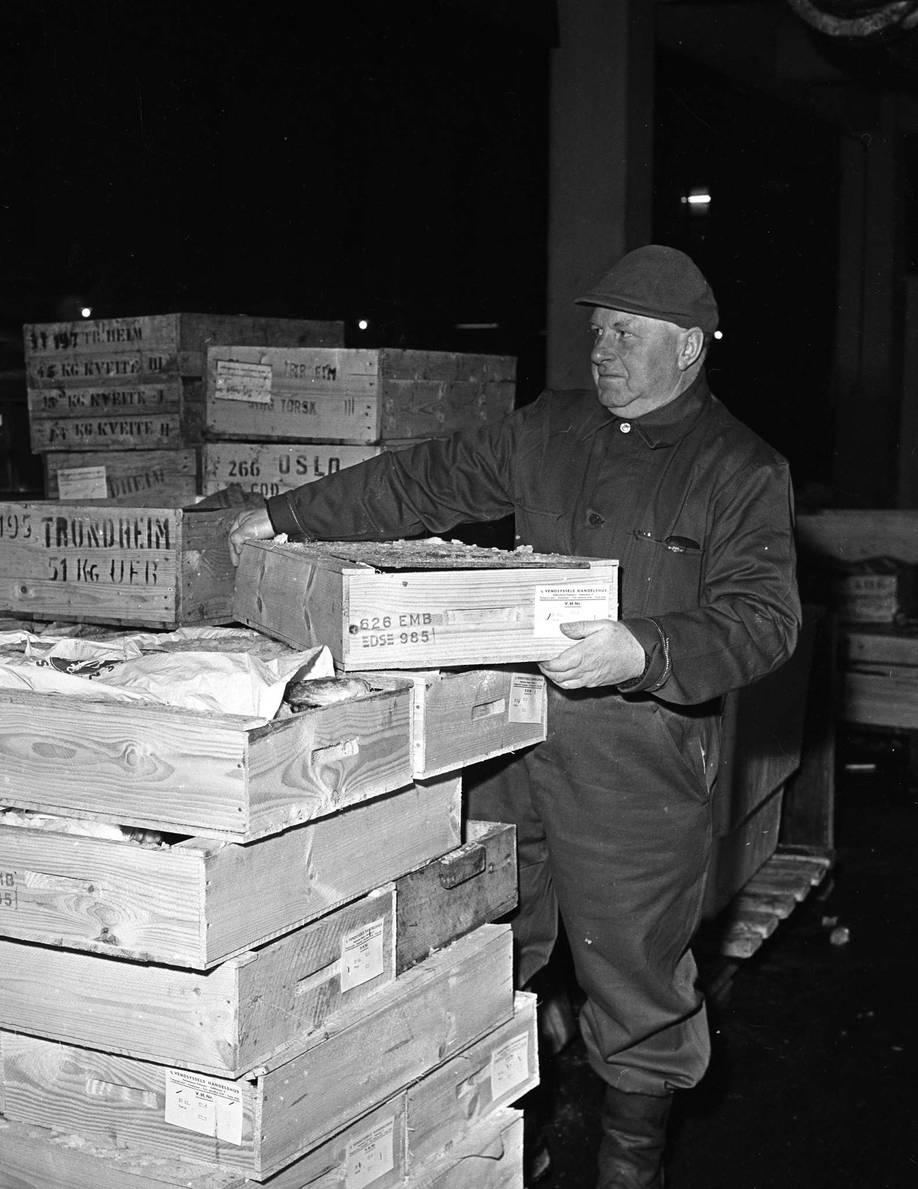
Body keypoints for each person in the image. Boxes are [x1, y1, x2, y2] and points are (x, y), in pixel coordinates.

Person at [227, 245, 800, 1188]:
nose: (602, 351)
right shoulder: (553, 428)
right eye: (596, 332)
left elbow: (762, 619)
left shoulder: (738, 468)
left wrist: (643, 649)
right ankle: (490, 1141)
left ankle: (628, 1168)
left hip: (637, 758)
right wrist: (286, 515)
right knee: (490, 937)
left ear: (690, 348)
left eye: (626, 334)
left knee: (634, 978)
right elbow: (424, 480)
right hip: (505, 738)